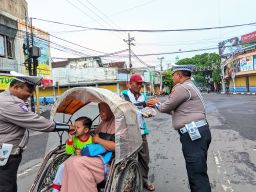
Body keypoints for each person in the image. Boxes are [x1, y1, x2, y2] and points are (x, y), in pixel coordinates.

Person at [147, 64, 212, 192]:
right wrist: (160, 106)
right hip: (198, 132)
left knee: (196, 174)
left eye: (173, 75)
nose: (172, 78)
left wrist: (156, 104)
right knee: (197, 171)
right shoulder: (190, 86)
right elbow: (175, 111)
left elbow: (165, 107)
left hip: (194, 135)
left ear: (179, 75)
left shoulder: (182, 88)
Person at [0, 72, 56, 192]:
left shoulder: (9, 100)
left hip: (8, 153)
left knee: (9, 185)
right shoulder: (9, 103)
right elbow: (34, 120)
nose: (29, 95)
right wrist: (61, 127)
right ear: (16, 87)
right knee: (5, 187)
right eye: (28, 90)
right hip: (6, 154)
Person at [61, 102, 115, 192]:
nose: (100, 113)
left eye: (103, 111)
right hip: (95, 155)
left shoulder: (118, 123)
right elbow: (92, 137)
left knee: (77, 162)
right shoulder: (103, 123)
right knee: (69, 162)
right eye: (99, 111)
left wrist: (98, 140)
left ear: (111, 110)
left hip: (107, 159)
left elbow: (116, 146)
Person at [121, 74, 159, 191]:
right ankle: (128, 182)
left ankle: (144, 179)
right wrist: (144, 105)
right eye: (137, 83)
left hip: (141, 130)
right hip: (128, 131)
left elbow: (141, 110)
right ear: (130, 83)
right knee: (128, 158)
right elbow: (128, 107)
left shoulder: (142, 95)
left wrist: (149, 111)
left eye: (141, 84)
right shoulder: (124, 94)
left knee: (144, 157)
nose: (140, 86)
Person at [52, 116, 93, 192]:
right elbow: (69, 152)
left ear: (86, 130)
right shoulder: (74, 138)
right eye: (74, 127)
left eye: (78, 127)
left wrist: (84, 152)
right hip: (73, 159)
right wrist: (70, 139)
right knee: (62, 167)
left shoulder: (91, 140)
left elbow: (93, 152)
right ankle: (56, 187)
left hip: (86, 161)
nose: (75, 129)